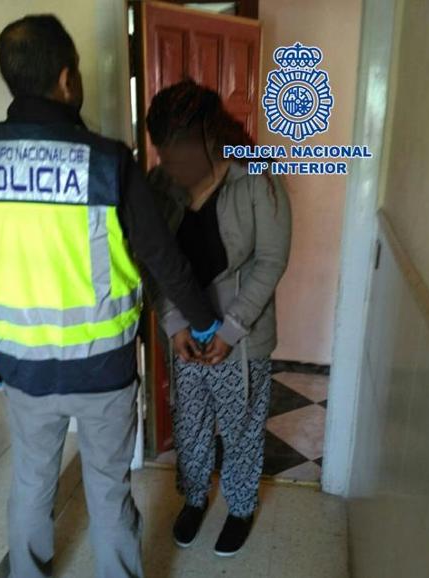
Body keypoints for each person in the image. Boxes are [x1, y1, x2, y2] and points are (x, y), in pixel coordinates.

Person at [0, 16, 220, 578]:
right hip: (102, 372)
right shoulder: (107, 160)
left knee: (30, 483)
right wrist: (202, 322)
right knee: (108, 488)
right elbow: (162, 257)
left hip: (22, 366)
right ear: (66, 78)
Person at [144, 79, 292, 557]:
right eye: (163, 151)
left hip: (241, 338)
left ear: (210, 136)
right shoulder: (161, 184)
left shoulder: (256, 178)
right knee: (190, 424)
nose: (171, 164)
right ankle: (193, 498)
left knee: (241, 426)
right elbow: (155, 260)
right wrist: (174, 324)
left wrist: (231, 331)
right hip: (185, 336)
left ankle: (241, 506)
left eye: (180, 151)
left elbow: (270, 261)